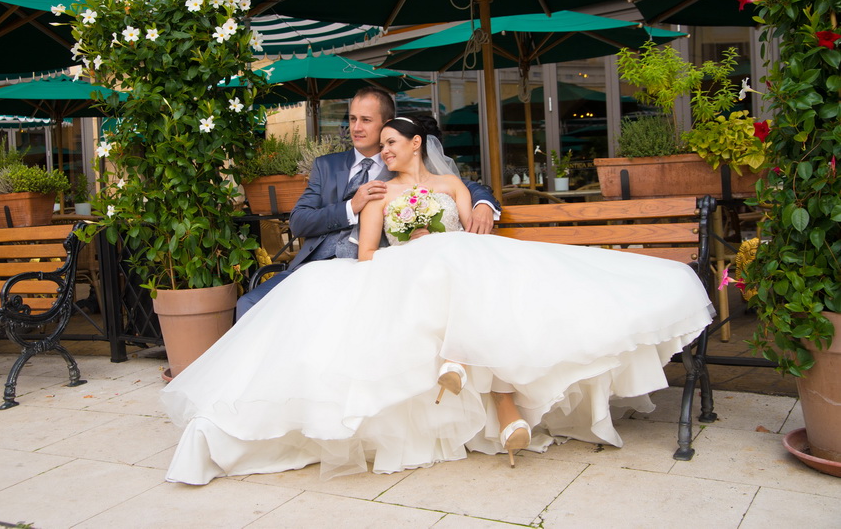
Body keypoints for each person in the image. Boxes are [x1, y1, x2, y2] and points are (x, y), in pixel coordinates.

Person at [160, 116, 715, 484]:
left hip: (463, 265)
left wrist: (481, 212)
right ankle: (492, 397)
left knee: (458, 260)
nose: (382, 153)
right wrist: (417, 243)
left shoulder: (455, 188)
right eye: (380, 148)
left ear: (416, 145)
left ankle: (479, 380)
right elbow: (368, 255)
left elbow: (479, 214)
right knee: (435, 261)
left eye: (390, 144)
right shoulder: (378, 193)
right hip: (406, 269)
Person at [236, 86, 499, 318]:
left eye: (365, 120)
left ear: (387, 123)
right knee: (249, 303)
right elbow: (299, 221)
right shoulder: (326, 166)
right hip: (316, 266)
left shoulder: (403, 164)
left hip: (372, 271)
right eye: (352, 119)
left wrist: (483, 204)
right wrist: (351, 207)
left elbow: (464, 187)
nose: (356, 127)